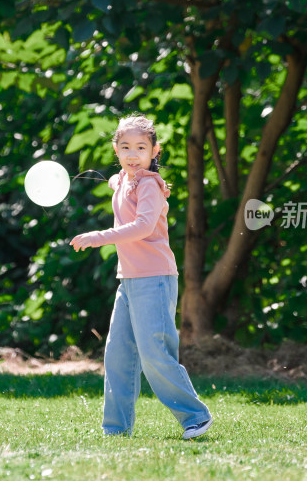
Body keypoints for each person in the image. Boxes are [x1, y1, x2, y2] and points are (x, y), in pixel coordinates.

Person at [70, 114, 213, 440]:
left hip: (156, 279)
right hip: (129, 281)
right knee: (117, 355)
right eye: (125, 147)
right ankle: (116, 429)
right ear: (116, 150)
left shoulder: (149, 185)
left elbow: (144, 227)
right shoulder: (123, 179)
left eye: (140, 147)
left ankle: (196, 417)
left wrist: (97, 237)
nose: (133, 154)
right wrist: (117, 181)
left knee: (154, 354)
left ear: (154, 151)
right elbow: (119, 183)